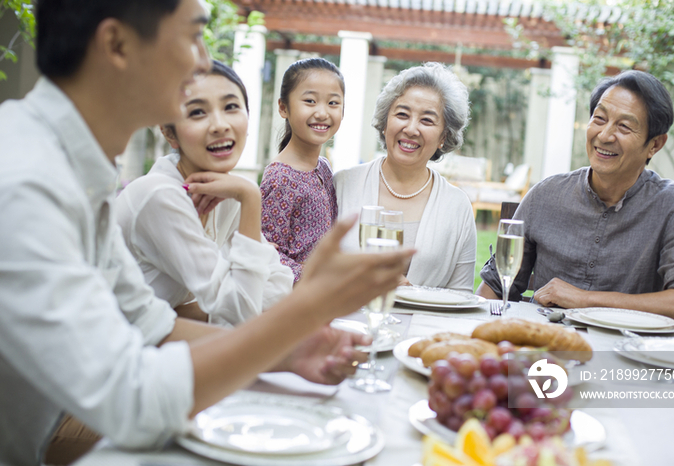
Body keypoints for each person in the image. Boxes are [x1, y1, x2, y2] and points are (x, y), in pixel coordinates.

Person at [0, 1, 414, 465]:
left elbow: (151, 325)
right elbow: (131, 398)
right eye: (194, 35)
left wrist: (290, 352)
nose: (202, 60)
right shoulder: (24, 184)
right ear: (117, 45)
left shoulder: (79, 170)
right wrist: (306, 308)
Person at [477, 70, 674, 327]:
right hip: (543, 353)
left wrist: (585, 299)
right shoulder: (544, 195)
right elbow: (493, 289)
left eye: (624, 126)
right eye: (599, 118)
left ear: (655, 144)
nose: (605, 135)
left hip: (628, 359)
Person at [116, 60, 293, 327]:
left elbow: (280, 286)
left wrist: (184, 313)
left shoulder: (226, 192)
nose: (220, 125)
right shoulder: (158, 196)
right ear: (168, 132)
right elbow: (241, 310)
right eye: (198, 112)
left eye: (231, 106)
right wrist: (251, 197)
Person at [334, 62, 477, 292]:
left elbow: (461, 296)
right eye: (402, 114)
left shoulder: (457, 206)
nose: (411, 129)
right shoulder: (341, 186)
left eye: (427, 120)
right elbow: (313, 270)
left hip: (427, 327)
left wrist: (412, 293)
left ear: (444, 136)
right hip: (345, 323)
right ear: (385, 122)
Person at [260, 58, 343, 282]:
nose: (322, 113)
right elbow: (266, 255)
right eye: (310, 101)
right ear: (283, 107)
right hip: (293, 303)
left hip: (321, 298)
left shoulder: (323, 167)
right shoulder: (280, 178)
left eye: (333, 103)